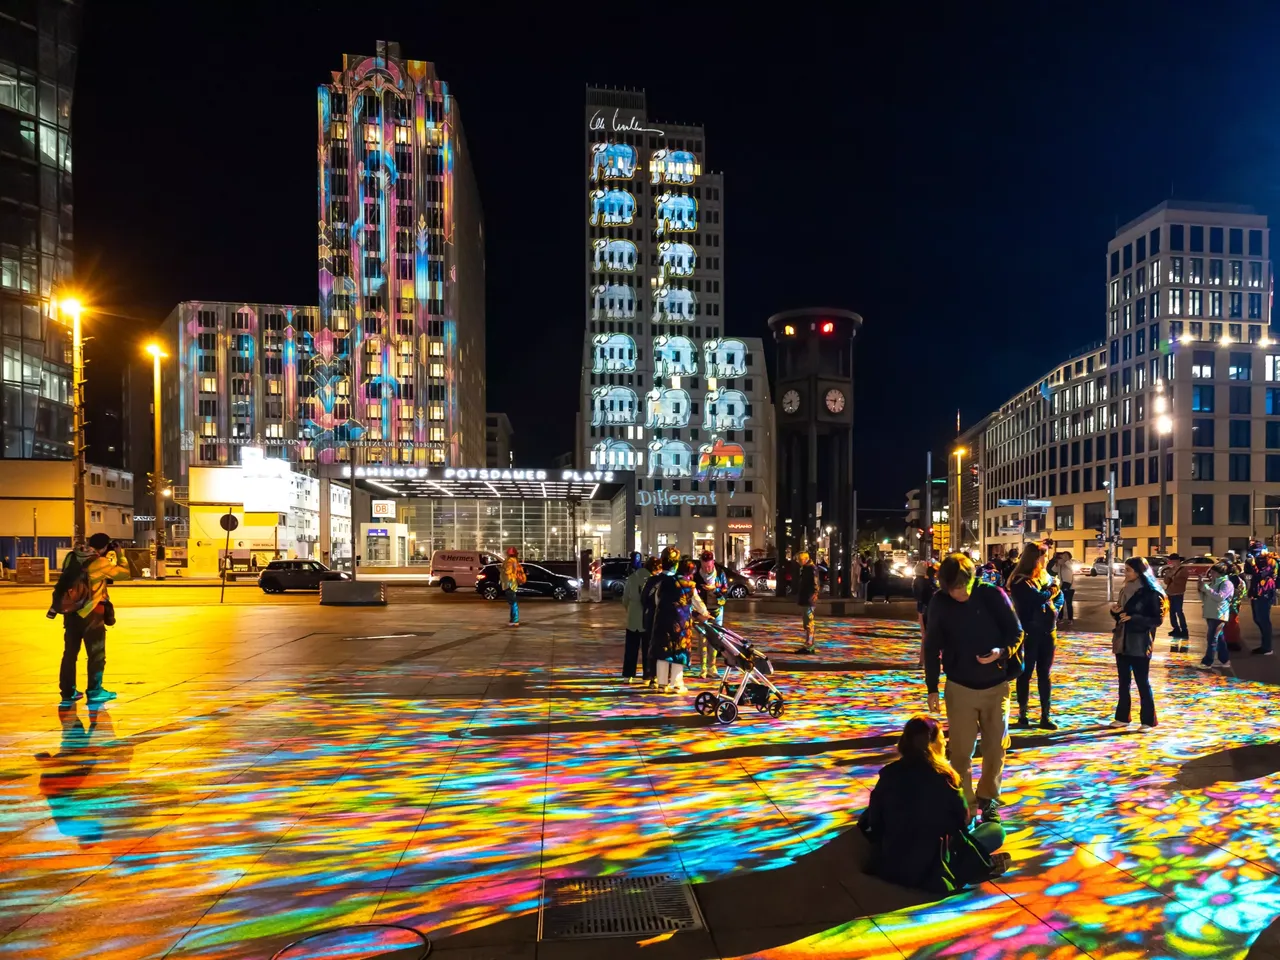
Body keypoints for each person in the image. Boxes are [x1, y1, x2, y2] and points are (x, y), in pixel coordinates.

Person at [858, 715, 1010, 893]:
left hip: (892, 861)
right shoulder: (945, 778)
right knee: (995, 830)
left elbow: (875, 821)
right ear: (931, 744)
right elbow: (962, 821)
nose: (945, 743)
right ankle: (973, 864)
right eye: (941, 738)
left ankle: (974, 859)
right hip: (932, 865)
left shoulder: (889, 773)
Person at [924, 554, 1024, 823]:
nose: (961, 594)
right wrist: (932, 687)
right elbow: (931, 646)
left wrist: (1002, 652)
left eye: (964, 588)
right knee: (960, 751)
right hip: (960, 686)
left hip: (996, 686)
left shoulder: (993, 595)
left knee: (995, 748)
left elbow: (1016, 631)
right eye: (954, 590)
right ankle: (966, 804)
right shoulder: (940, 602)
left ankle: (988, 798)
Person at [50, 534, 131, 706]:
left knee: (70, 654)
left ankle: (68, 691)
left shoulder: (71, 556)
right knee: (96, 654)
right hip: (91, 613)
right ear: (105, 547)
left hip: (70, 612)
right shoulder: (100, 562)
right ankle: (95, 691)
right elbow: (124, 574)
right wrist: (119, 554)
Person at [1006, 544, 1064, 730]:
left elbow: (1059, 597)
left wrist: (1055, 610)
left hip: (1048, 632)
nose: (1046, 559)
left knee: (1044, 674)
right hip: (1030, 633)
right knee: (1025, 674)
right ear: (1035, 558)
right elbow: (1038, 598)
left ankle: (1045, 716)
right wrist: (1054, 589)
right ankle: (1023, 715)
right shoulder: (1020, 581)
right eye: (1044, 556)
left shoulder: (1045, 577)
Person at [1109, 557, 1166, 730]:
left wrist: (1134, 618)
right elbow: (1122, 615)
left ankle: (1148, 720)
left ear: (1139, 571)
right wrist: (1116, 612)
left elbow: (1157, 619)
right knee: (1123, 681)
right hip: (1122, 640)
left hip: (1140, 642)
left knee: (1142, 681)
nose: (1125, 573)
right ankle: (1123, 717)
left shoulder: (1152, 593)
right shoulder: (1125, 589)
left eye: (1128, 570)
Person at [649, 547, 710, 693]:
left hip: (662, 620)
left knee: (663, 651)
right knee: (679, 651)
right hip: (681, 623)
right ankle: (677, 684)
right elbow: (697, 602)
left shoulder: (662, 582)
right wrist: (705, 613)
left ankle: (662, 684)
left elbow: (657, 600)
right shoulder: (689, 585)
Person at [692, 551, 727, 677]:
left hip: (717, 610)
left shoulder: (720, 573)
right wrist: (698, 612)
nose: (707, 569)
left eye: (709, 566)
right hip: (702, 611)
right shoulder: (696, 575)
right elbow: (692, 595)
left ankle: (712, 666)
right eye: (705, 566)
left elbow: (725, 593)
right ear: (701, 563)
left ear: (713, 563)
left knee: (715, 639)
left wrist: (715, 590)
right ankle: (703, 668)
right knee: (702, 639)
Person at [620, 553, 652, 683]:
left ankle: (628, 675)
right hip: (647, 619)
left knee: (631, 648)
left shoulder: (631, 578)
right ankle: (647, 676)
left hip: (633, 618)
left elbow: (625, 599)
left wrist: (630, 610)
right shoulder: (652, 579)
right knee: (647, 649)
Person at [1197, 562, 1234, 670]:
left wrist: (1205, 588)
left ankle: (1207, 662)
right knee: (1219, 638)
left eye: (1212, 572)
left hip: (1219, 614)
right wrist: (1201, 588)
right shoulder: (1213, 583)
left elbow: (1219, 597)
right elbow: (1205, 598)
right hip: (1211, 613)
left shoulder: (1226, 584)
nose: (1211, 574)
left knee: (1212, 638)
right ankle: (1225, 660)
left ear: (1218, 573)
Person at [912, 560, 939, 666]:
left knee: (925, 635)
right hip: (926, 610)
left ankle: (922, 659)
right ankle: (924, 659)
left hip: (922, 609)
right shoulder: (925, 582)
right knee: (927, 635)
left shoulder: (917, 581)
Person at [1250, 550, 1276, 656]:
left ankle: (1267, 647)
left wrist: (1254, 565)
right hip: (1257, 595)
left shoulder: (1269, 566)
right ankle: (1264, 645)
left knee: (1264, 621)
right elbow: (1251, 573)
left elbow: (1260, 575)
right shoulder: (1259, 566)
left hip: (1264, 596)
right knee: (1257, 619)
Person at [1162, 554, 1191, 649]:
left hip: (1178, 594)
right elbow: (1166, 581)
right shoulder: (1170, 570)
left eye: (1173, 561)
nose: (1172, 563)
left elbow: (1181, 582)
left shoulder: (1183, 570)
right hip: (1170, 593)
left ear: (1177, 561)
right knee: (1172, 612)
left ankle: (1184, 630)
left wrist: (1172, 576)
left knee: (1179, 611)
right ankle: (1176, 628)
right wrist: (1168, 576)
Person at [796, 551, 820, 652]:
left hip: (808, 599)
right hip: (806, 598)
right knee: (807, 623)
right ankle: (808, 644)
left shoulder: (811, 568)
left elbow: (815, 583)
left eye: (800, 560)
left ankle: (809, 645)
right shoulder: (806, 568)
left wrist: (815, 593)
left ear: (805, 559)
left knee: (809, 623)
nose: (798, 562)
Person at [500, 547, 525, 627]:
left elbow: (508, 571)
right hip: (512, 584)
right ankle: (513, 620)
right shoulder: (515, 561)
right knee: (512, 603)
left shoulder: (510, 561)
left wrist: (502, 569)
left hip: (509, 583)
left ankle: (515, 620)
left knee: (513, 603)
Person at [1057, 552, 1076, 624]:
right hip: (1061, 586)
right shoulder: (1060, 564)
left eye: (1066, 555)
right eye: (1063, 555)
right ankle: (1060, 618)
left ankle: (1070, 619)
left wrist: (1065, 561)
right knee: (1061, 602)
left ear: (1069, 557)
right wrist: (1056, 563)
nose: (1064, 557)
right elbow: (1053, 570)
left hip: (1070, 587)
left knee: (1068, 603)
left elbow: (1071, 568)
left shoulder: (1070, 563)